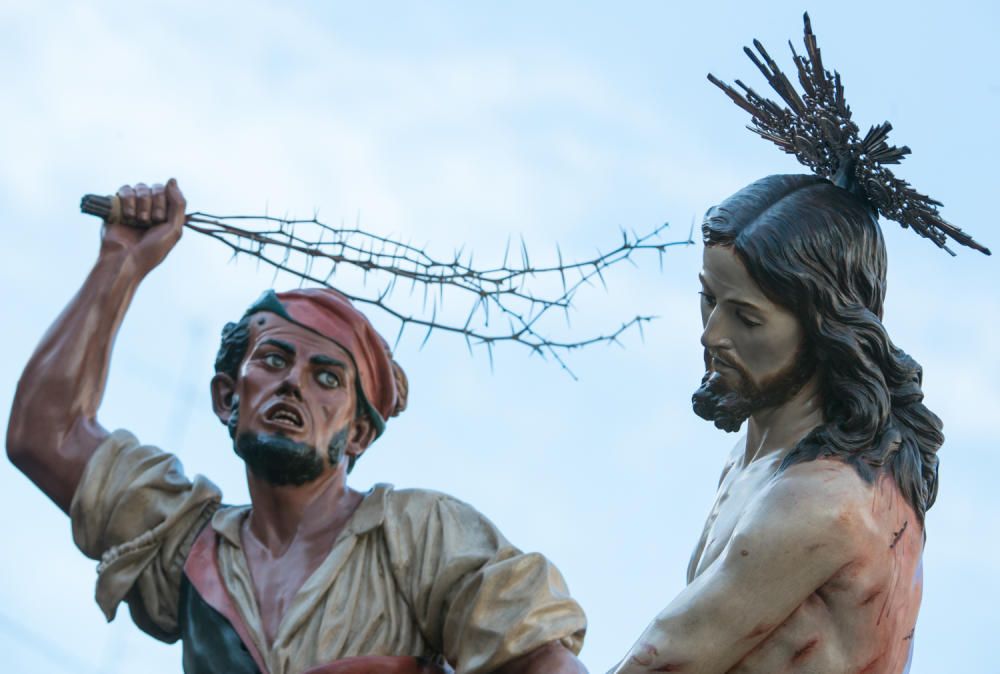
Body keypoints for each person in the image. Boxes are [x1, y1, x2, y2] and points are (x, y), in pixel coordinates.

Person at [6, 179, 588, 674]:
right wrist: (122, 260)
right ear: (227, 396)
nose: (294, 385)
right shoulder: (186, 545)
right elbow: (46, 436)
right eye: (274, 360)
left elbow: (538, 659)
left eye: (328, 378)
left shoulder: (419, 536)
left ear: (357, 434)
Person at [611, 15, 988, 674]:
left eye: (747, 319)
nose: (711, 336)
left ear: (824, 332)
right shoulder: (763, 456)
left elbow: (657, 663)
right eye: (709, 299)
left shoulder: (821, 503)